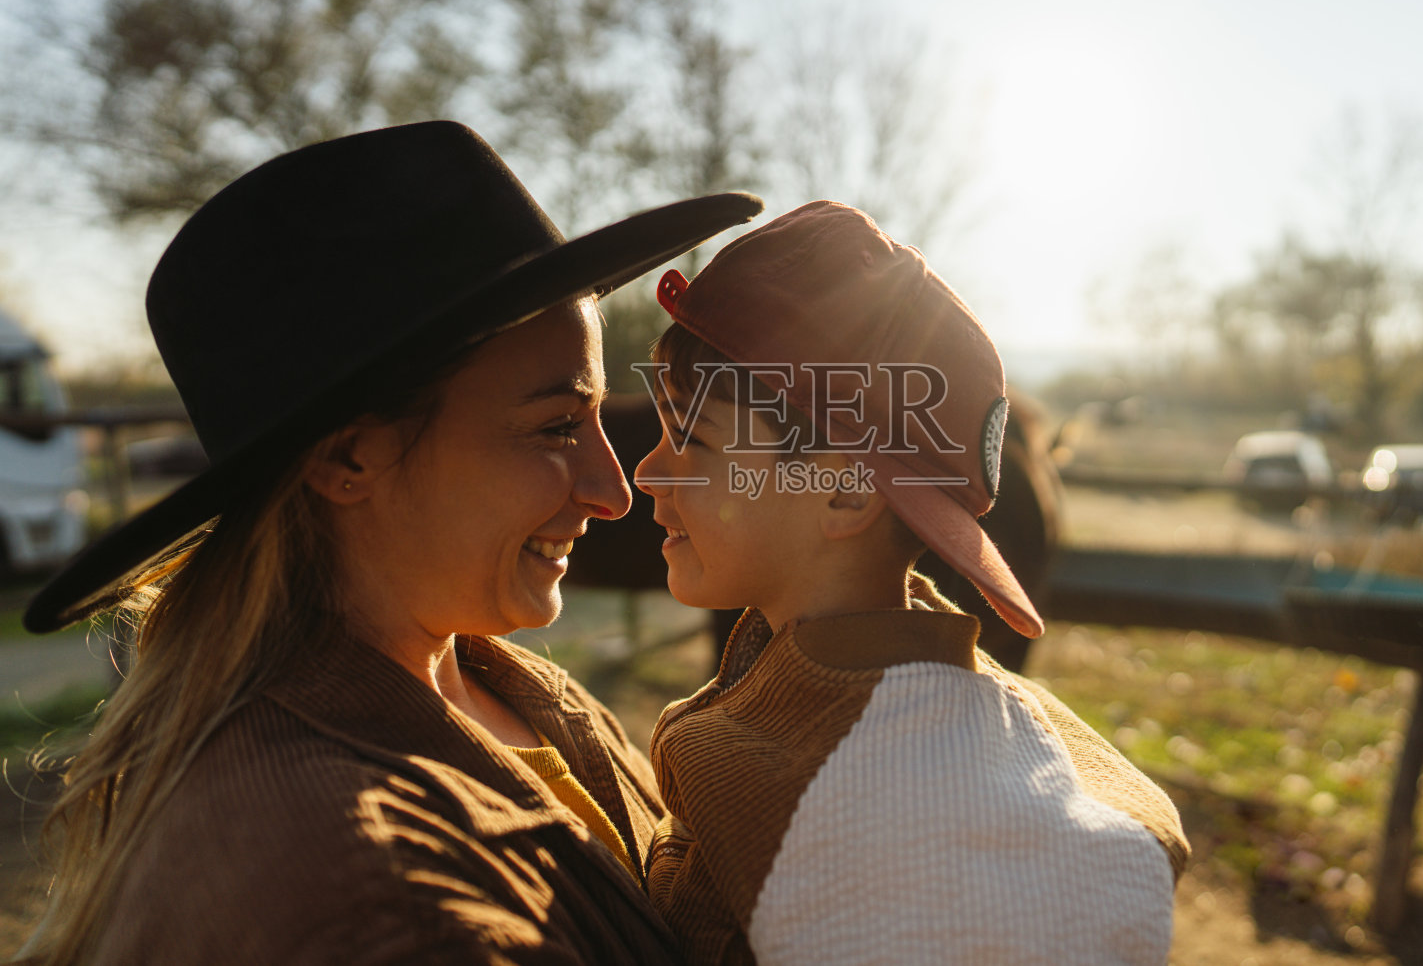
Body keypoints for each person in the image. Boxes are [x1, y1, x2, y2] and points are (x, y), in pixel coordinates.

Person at [17, 121, 761, 965]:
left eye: (594, 418)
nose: (613, 489)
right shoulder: (370, 895)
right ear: (348, 456)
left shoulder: (500, 688)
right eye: (555, 426)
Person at [632, 201, 1190, 965]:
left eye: (689, 438)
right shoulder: (1051, 743)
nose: (645, 470)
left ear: (846, 493)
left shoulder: (756, 784)